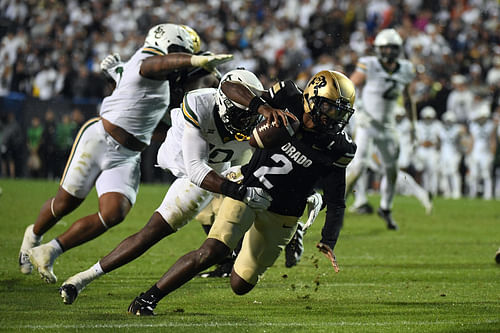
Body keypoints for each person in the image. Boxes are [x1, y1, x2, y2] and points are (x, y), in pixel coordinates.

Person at [125, 69, 357, 316]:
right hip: (248, 188)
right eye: (330, 108)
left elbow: (336, 200)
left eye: (341, 112)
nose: (335, 117)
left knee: (240, 284)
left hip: (284, 213)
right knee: (213, 251)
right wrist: (263, 108)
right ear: (312, 98)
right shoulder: (287, 96)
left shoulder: (340, 147)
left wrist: (329, 239)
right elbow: (228, 87)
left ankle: (288, 233)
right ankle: (147, 299)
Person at [19, 23, 233, 283]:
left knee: (113, 214)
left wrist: (202, 70)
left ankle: (50, 250)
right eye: (178, 52)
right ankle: (34, 234)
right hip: (100, 139)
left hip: (128, 155)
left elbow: (153, 95)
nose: (178, 63)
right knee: (65, 203)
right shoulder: (145, 59)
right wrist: (195, 59)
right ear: (167, 44)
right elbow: (154, 67)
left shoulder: (164, 82)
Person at [59, 69, 295, 304]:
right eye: (240, 115)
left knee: (246, 213)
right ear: (224, 105)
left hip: (225, 167)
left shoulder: (257, 109)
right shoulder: (200, 102)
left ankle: (292, 231)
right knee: (152, 233)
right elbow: (196, 169)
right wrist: (239, 191)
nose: (245, 122)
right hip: (188, 166)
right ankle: (82, 278)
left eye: (249, 116)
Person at [345, 28, 417, 230]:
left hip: (388, 126)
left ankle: (385, 207)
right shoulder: (369, 64)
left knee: (392, 170)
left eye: (392, 48)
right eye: (384, 48)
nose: (388, 52)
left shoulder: (405, 69)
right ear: (378, 49)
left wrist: (413, 125)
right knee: (358, 167)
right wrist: (357, 109)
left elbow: (409, 99)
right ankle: (337, 206)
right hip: (367, 123)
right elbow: (349, 86)